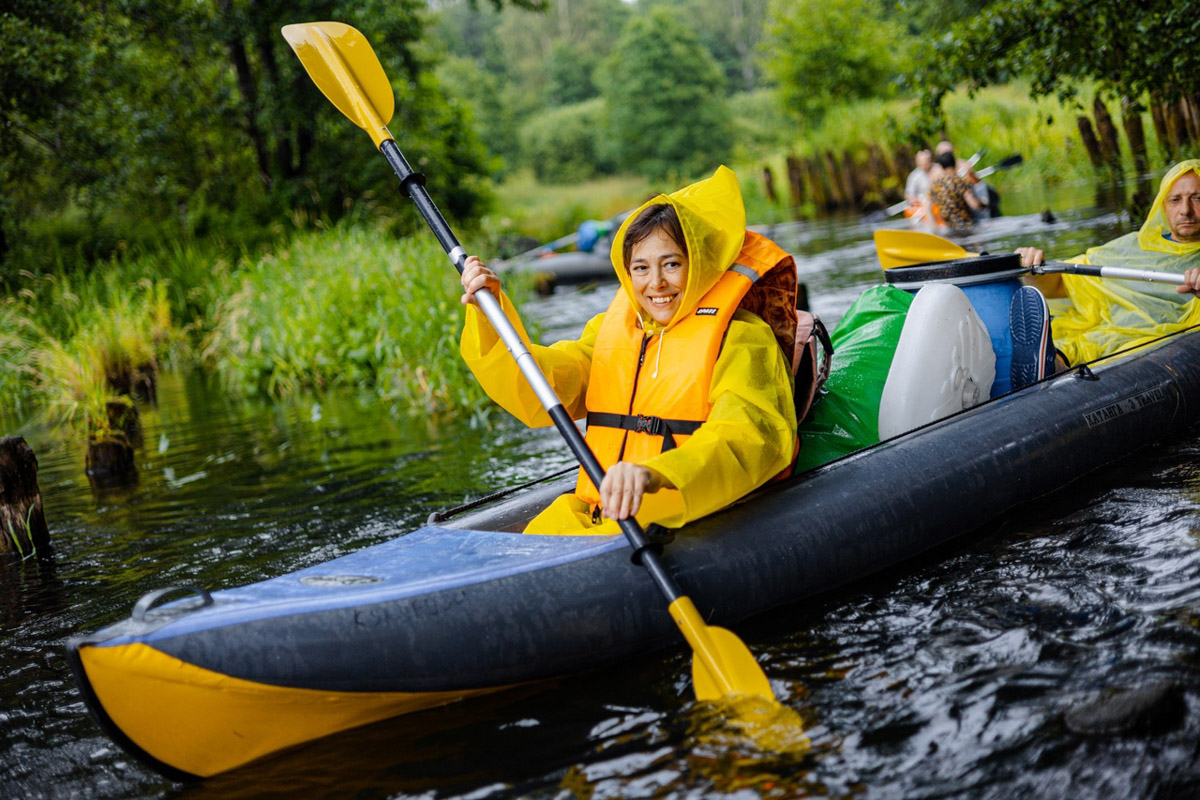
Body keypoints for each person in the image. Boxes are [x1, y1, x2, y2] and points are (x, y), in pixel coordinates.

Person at [459, 166, 799, 535]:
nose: (656, 283)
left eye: (671, 264)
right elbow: (543, 387)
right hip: (602, 515)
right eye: (641, 267)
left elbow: (747, 437)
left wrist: (656, 474)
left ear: (699, 264)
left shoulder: (742, 338)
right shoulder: (611, 333)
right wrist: (491, 315)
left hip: (680, 511)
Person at [1012, 159, 1200, 375]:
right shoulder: (1130, 246)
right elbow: (1059, 285)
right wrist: (1029, 267)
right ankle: (1050, 362)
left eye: (1197, 199)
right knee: (1089, 338)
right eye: (1175, 200)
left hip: (1150, 347)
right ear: (1163, 207)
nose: (1186, 210)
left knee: (1120, 344)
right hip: (1103, 332)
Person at [929, 149, 983, 233]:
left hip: (949, 229)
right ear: (955, 164)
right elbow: (974, 204)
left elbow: (926, 205)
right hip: (968, 227)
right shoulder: (961, 181)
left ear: (941, 167)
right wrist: (984, 204)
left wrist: (934, 228)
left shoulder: (936, 185)